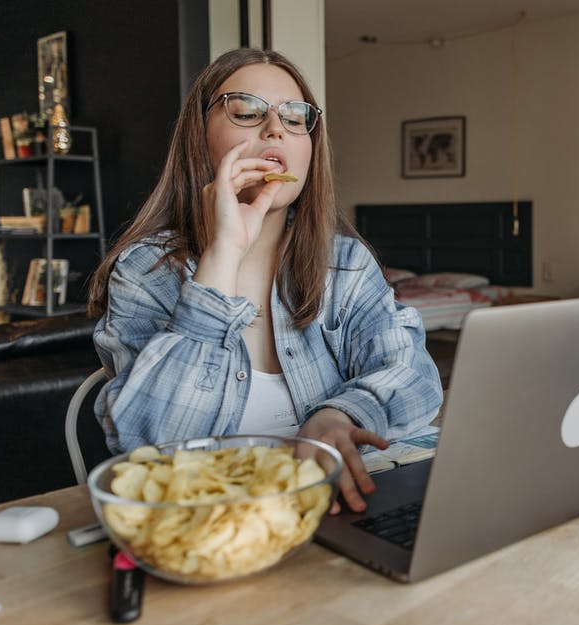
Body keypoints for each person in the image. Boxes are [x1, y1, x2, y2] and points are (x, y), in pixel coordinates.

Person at [87, 48, 443, 512]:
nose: (276, 127)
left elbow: (415, 376)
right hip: (213, 530)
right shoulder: (144, 273)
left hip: (338, 512)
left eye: (296, 118)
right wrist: (223, 255)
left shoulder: (346, 265)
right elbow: (154, 446)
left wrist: (337, 414)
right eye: (246, 110)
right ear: (200, 138)